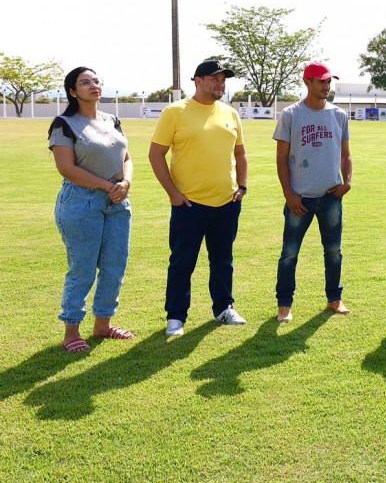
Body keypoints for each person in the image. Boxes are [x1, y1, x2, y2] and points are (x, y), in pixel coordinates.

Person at [149, 60, 249, 335]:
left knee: (223, 259)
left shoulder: (230, 113)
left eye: (223, 80)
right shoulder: (175, 112)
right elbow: (156, 154)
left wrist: (242, 186)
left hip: (227, 202)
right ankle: (176, 317)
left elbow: (240, 153)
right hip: (189, 203)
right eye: (214, 78)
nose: (220, 84)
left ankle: (223, 308)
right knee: (183, 261)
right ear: (198, 81)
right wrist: (173, 194)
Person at [48, 67, 135, 352]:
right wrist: (106, 185)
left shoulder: (112, 120)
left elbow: (127, 157)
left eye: (96, 81)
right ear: (73, 91)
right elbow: (67, 168)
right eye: (85, 82)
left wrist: (126, 182)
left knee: (114, 267)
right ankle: (71, 332)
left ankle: (102, 326)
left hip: (118, 202)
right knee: (82, 269)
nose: (93, 85)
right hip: (81, 202)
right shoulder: (64, 123)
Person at [273, 62, 353, 323]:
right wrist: (289, 193)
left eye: (329, 82)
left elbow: (346, 155)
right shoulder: (291, 115)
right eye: (321, 81)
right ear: (307, 82)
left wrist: (347, 183)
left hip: (331, 197)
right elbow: (281, 157)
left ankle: (334, 299)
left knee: (333, 251)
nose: (326, 86)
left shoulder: (339, 115)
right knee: (290, 253)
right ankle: (284, 304)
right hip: (300, 198)